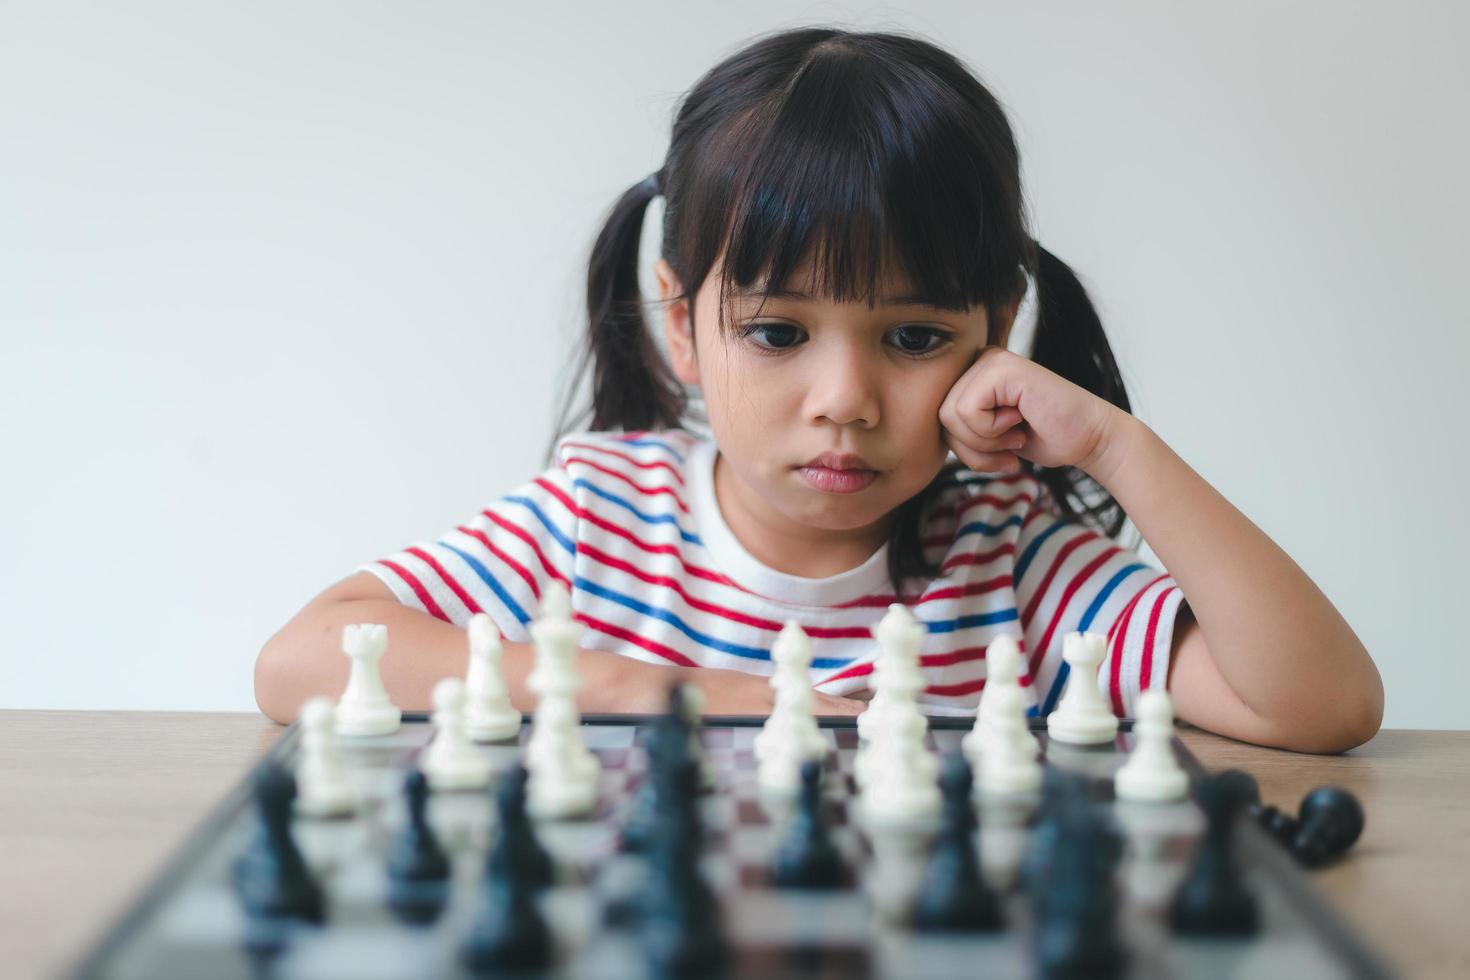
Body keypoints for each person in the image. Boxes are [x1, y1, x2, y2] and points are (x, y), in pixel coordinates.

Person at [255, 27, 1382, 753]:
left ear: (994, 335)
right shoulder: (600, 517)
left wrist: (1112, 445)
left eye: (914, 333)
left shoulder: (1009, 554)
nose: (844, 396)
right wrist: (638, 687)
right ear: (684, 322)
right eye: (780, 330)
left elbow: (1318, 704)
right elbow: (303, 655)